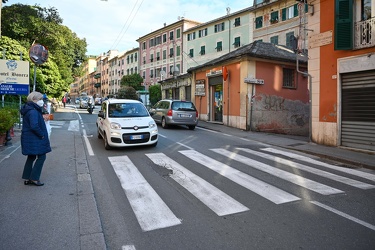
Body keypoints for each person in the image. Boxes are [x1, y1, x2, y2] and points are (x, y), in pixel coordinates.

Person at [20, 91, 52, 186]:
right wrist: (41, 134)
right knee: (42, 157)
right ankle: (34, 178)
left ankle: (27, 177)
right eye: (40, 99)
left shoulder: (30, 109)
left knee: (31, 156)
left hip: (30, 137)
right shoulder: (33, 111)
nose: (42, 101)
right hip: (35, 138)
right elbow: (34, 126)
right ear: (34, 100)